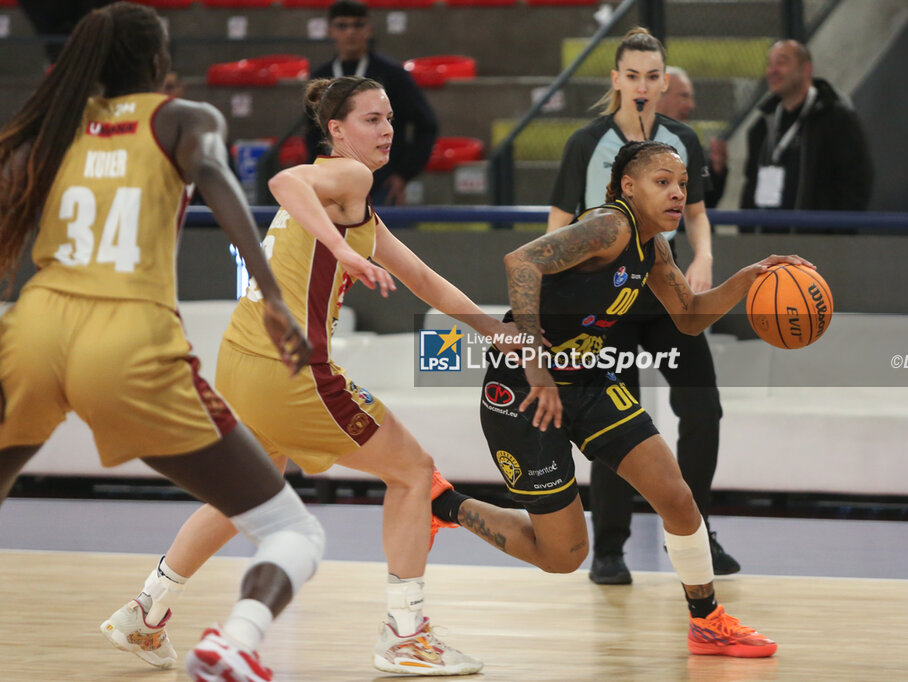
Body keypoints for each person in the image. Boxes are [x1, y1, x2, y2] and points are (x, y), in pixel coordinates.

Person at [103, 75, 520, 676]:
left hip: (242, 360)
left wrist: (504, 337)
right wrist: (344, 252)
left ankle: (146, 612)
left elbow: (425, 281)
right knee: (412, 473)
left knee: (249, 494)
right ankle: (406, 636)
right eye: (372, 119)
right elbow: (282, 179)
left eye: (390, 119)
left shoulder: (356, 203)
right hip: (289, 368)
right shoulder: (348, 177)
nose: (387, 131)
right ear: (336, 131)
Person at [0, 4, 325, 680]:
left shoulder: (53, 127)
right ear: (156, 61)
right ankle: (233, 643)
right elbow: (221, 183)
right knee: (291, 529)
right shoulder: (181, 118)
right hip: (127, 337)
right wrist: (269, 296)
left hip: (33, 324)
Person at [432, 140, 810, 658]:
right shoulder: (610, 226)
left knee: (677, 497)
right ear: (628, 187)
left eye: (681, 183)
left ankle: (708, 622)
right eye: (662, 181)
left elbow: (689, 318)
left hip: (587, 380)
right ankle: (443, 503)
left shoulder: (653, 248)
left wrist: (747, 281)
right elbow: (521, 260)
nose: (677, 192)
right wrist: (532, 360)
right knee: (564, 555)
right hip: (523, 389)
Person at [548, 27, 739, 585]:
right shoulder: (586, 143)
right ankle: (610, 547)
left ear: (664, 81)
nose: (642, 85)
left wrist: (702, 257)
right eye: (632, 75)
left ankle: (696, 529)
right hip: (604, 301)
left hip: (658, 287)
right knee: (617, 417)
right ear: (616, 80)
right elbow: (557, 227)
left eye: (653, 76)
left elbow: (698, 212)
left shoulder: (681, 140)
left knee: (703, 408)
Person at [304, 0, 438, 207]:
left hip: (381, 184)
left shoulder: (393, 75)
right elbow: (312, 131)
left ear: (369, 30)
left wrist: (404, 174)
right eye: (342, 25)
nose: (351, 32)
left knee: (377, 239)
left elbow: (427, 126)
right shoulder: (322, 77)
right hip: (334, 183)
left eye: (358, 25)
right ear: (331, 30)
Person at [740, 40, 873, 218]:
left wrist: (836, 234)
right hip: (767, 242)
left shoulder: (837, 120)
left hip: (816, 242)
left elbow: (857, 182)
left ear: (806, 69)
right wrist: (748, 231)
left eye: (781, 62)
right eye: (769, 64)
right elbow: (751, 186)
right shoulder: (761, 127)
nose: (772, 71)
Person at [656, 66, 728, 209]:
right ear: (660, 95)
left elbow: (707, 202)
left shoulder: (689, 143)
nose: (691, 105)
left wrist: (716, 171)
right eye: (684, 96)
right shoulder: (629, 141)